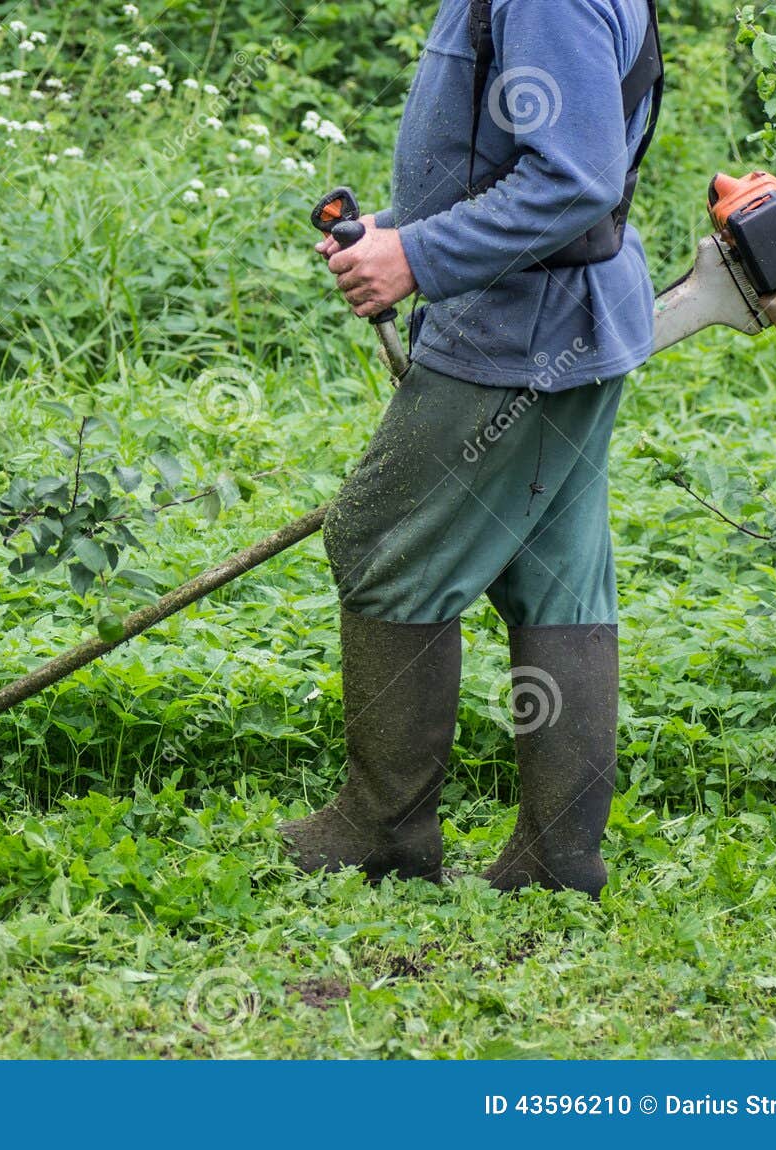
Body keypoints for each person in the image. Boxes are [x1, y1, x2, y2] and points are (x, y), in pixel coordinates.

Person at [282, 0, 662, 897]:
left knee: (383, 545)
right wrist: (400, 232)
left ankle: (382, 830)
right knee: (556, 574)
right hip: (559, 322)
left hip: (519, 335)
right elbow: (511, 159)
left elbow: (573, 180)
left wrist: (418, 258)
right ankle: (559, 856)